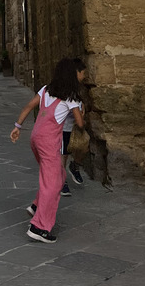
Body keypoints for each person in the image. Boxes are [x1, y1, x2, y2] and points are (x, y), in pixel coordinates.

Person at [9, 57, 85, 244]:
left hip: (35, 138)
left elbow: (28, 106)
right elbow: (80, 124)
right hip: (50, 142)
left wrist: (17, 126)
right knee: (52, 184)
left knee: (56, 175)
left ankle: (36, 206)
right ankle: (39, 227)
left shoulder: (45, 90)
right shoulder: (71, 98)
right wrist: (82, 113)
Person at [61, 58, 87, 190]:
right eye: (83, 73)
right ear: (77, 72)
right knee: (64, 154)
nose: (84, 76)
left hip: (74, 126)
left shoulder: (78, 89)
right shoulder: (68, 91)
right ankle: (61, 180)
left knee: (83, 147)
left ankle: (75, 166)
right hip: (65, 127)